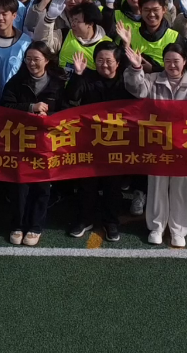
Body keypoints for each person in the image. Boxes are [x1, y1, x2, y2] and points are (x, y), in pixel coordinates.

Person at [122, 42, 187, 248]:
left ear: (185, 61)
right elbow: (136, 89)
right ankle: (156, 227)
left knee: (181, 188)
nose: (172, 65)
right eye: (168, 61)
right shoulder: (153, 80)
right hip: (157, 145)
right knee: (156, 185)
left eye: (176, 61)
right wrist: (136, 68)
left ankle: (178, 230)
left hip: (182, 147)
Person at [0, 42, 66, 246]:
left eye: (36, 59)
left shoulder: (58, 84)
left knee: (42, 187)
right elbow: (5, 106)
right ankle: (17, 225)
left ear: (47, 60)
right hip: (22, 143)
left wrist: (49, 116)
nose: (32, 63)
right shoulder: (16, 82)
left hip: (47, 145)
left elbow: (68, 111)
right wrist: (30, 107)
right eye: (28, 59)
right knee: (20, 186)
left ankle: (36, 226)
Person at [64, 42, 130, 242]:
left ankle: (111, 221)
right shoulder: (87, 78)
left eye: (108, 61)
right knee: (87, 183)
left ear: (117, 63)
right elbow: (71, 97)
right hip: (90, 141)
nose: (104, 65)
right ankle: (84, 219)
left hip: (118, 141)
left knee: (113, 184)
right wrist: (77, 75)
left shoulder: (125, 80)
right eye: (100, 60)